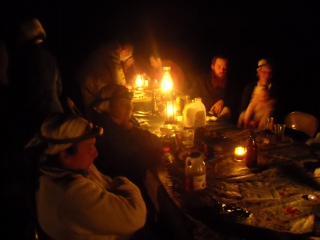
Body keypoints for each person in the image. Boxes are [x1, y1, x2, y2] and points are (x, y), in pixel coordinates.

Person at [24, 112, 147, 240]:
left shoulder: (59, 170)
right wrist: (124, 182)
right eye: (90, 148)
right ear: (65, 155)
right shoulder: (72, 193)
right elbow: (136, 215)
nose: (96, 153)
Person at [8, 17, 64, 151]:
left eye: (19, 33)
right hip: (56, 115)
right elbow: (59, 89)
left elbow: (24, 92)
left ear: (27, 34)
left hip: (35, 120)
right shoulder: (50, 58)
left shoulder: (22, 59)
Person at [77, 40, 134, 111]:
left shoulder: (109, 48)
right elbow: (117, 73)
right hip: (88, 84)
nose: (122, 60)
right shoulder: (112, 51)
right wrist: (124, 91)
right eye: (126, 57)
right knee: (91, 109)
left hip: (90, 84)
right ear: (123, 51)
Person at [190, 55, 236, 120]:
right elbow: (194, 97)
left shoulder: (230, 83)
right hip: (202, 115)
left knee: (227, 110)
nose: (222, 70)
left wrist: (223, 101)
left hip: (220, 117)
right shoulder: (201, 79)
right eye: (218, 67)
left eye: (224, 68)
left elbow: (232, 98)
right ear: (212, 66)